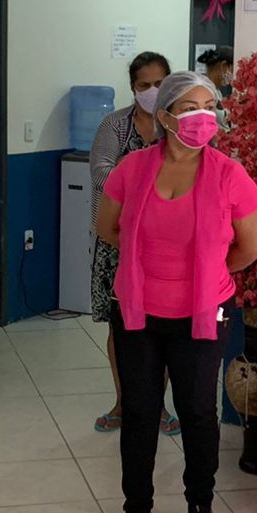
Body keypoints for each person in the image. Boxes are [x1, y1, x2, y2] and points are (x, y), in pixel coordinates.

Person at [94, 70, 257, 513]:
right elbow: (107, 227)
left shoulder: (231, 175)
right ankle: (137, 510)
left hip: (203, 312)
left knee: (196, 410)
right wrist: (148, 267)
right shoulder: (131, 169)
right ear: (165, 115)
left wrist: (207, 273)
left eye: (208, 108)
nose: (201, 118)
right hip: (137, 311)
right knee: (141, 410)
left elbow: (254, 245)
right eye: (189, 108)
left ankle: (200, 505)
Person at [88, 52, 181, 437]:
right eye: (144, 85)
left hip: (165, 245)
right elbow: (101, 173)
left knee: (162, 326)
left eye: (159, 83)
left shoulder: (179, 127)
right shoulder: (115, 125)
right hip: (118, 242)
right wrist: (149, 189)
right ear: (133, 88)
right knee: (121, 327)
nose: (152, 91)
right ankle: (124, 402)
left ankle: (156, 407)